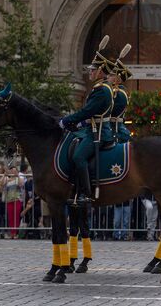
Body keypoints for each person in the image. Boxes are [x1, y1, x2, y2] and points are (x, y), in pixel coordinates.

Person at [59, 46, 115, 205]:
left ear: (100, 72)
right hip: (94, 129)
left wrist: (66, 121)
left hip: (98, 133)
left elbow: (87, 111)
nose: (89, 72)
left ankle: (85, 192)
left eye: (93, 70)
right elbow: (92, 113)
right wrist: (79, 123)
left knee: (79, 157)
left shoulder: (101, 90)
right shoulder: (103, 89)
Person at [108, 58, 132, 143]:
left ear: (117, 78)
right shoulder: (118, 91)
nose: (108, 77)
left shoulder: (117, 93)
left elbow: (110, 112)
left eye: (111, 75)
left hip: (114, 129)